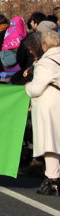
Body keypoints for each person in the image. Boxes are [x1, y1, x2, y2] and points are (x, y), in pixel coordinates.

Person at [25, 30, 60, 195]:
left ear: (44, 45)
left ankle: (53, 179)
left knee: (50, 142)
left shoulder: (46, 63)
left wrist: (27, 87)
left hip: (50, 105)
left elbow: (37, 88)